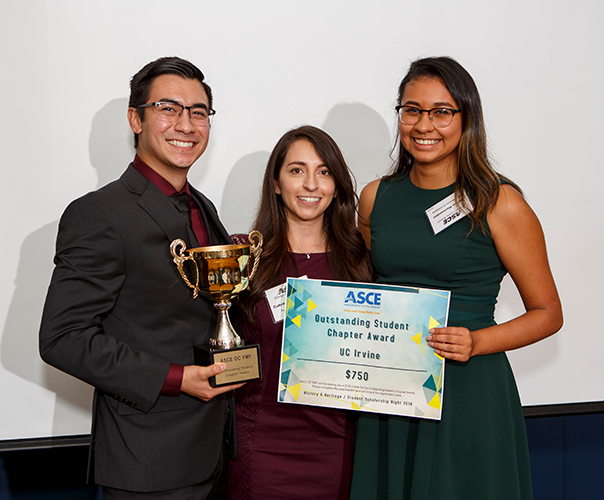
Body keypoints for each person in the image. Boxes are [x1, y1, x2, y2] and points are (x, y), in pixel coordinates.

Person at [350, 56, 563, 500]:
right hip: (392, 387)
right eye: (412, 110)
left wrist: (477, 341)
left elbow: (548, 314)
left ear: (466, 119)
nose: (424, 124)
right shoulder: (374, 197)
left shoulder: (501, 203)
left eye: (442, 111)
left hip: (467, 387)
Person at [39, 57, 243, 499]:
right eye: (168, 109)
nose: (186, 125)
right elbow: (63, 337)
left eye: (199, 112)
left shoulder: (200, 205)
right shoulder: (99, 214)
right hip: (148, 465)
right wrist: (175, 377)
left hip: (214, 453)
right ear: (136, 118)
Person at [228, 126, 372, 499]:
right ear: (276, 183)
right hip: (261, 446)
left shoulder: (361, 262)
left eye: (324, 172)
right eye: (296, 170)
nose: (311, 184)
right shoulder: (243, 256)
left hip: (339, 448)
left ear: (337, 185)